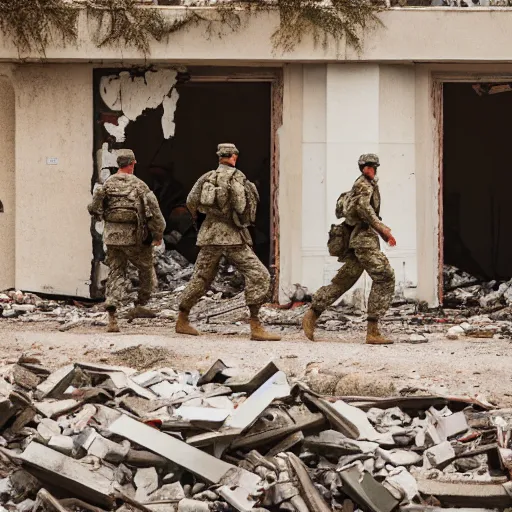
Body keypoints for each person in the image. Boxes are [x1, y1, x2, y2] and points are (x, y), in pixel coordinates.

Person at [176, 143, 281, 341]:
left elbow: (191, 201)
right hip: (233, 237)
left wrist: (202, 217)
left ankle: (182, 319)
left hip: (210, 235)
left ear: (219, 157)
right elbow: (242, 208)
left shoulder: (206, 177)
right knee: (259, 275)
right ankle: (256, 325)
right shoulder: (238, 177)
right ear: (234, 157)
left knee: (200, 278)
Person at [302, 154, 396, 344]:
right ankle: (373, 330)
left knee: (344, 281)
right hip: (364, 241)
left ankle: (312, 313)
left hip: (358, 240)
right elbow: (364, 210)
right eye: (368, 166)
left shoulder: (364, 184)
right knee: (385, 277)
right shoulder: (364, 185)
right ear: (363, 168)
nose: (371, 170)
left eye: (373, 167)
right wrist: (383, 230)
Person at [88, 150, 166, 332]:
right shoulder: (140, 186)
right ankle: (141, 302)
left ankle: (113, 308)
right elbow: (156, 214)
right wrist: (158, 235)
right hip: (135, 237)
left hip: (112, 237)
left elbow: (94, 208)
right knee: (146, 268)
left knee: (117, 271)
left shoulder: (107, 185)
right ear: (132, 164)